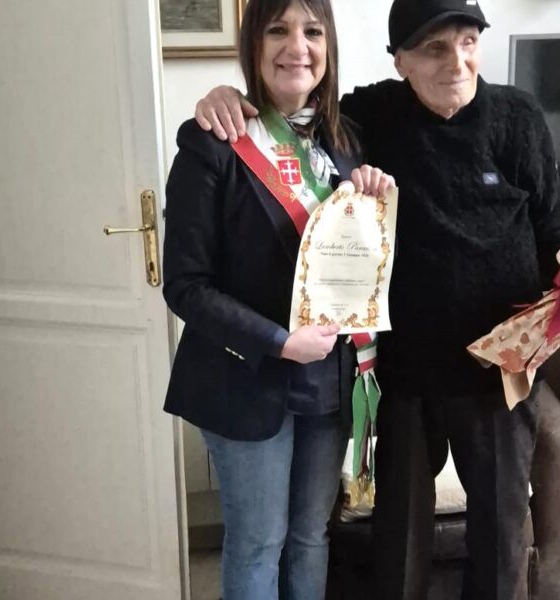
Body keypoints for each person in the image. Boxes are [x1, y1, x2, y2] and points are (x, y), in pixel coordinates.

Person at [192, 0, 560, 599]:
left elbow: (556, 229)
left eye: (468, 42)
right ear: (400, 62)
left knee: (501, 532)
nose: (457, 62)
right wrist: (223, 95)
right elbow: (292, 108)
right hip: (404, 372)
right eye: (434, 48)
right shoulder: (366, 120)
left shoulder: (518, 117)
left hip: (500, 368)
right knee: (399, 537)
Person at [161, 0, 394, 598]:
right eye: (277, 30)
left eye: (312, 31)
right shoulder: (213, 141)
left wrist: (374, 198)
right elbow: (185, 285)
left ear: (328, 44)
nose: (297, 46)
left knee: (312, 535)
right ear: (253, 45)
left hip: (327, 380)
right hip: (245, 377)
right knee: (259, 541)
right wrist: (279, 341)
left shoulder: (347, 142)